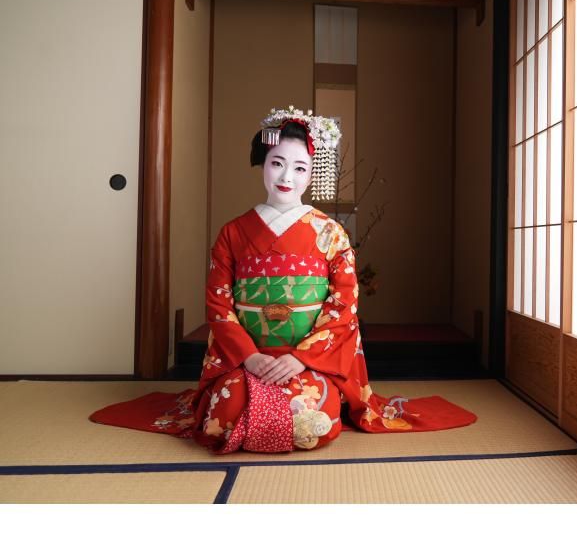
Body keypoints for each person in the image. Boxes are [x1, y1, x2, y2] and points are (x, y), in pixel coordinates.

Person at [89, 106, 477, 454]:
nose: (287, 176)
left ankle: (279, 414)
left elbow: (343, 306)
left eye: (300, 167)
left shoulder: (330, 232)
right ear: (262, 163)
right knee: (225, 408)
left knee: (311, 416)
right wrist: (252, 357)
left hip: (309, 361)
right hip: (246, 359)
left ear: (312, 172)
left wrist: (299, 358)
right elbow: (219, 303)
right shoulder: (233, 232)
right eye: (277, 163)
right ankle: (253, 410)